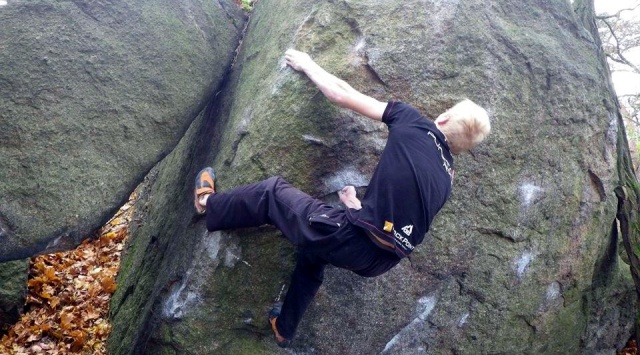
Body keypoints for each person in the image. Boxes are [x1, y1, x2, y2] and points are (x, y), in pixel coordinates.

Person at [193, 49, 491, 348]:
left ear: (444, 117)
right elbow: (402, 213)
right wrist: (356, 207)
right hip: (379, 261)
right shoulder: (447, 177)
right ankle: (284, 328)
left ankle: (207, 203)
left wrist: (307, 64)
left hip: (352, 237)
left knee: (271, 193)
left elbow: (340, 94)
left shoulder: (415, 122)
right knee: (314, 254)